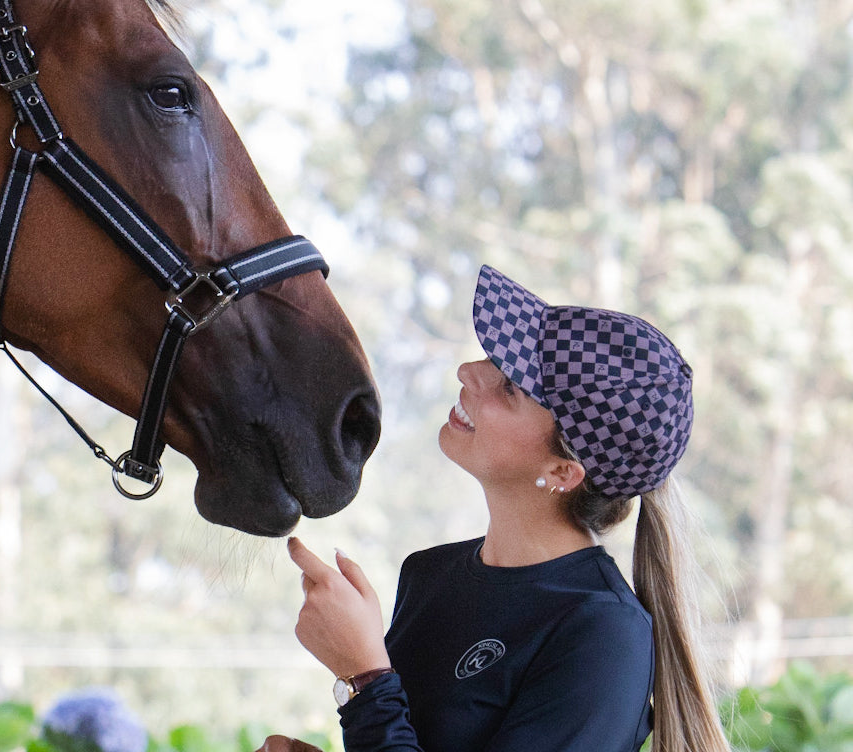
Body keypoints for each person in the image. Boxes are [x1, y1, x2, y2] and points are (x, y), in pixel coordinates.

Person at [261, 264, 730, 752]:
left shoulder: (603, 634)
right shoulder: (429, 575)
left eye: (511, 387)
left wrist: (364, 676)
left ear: (564, 472)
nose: (469, 371)